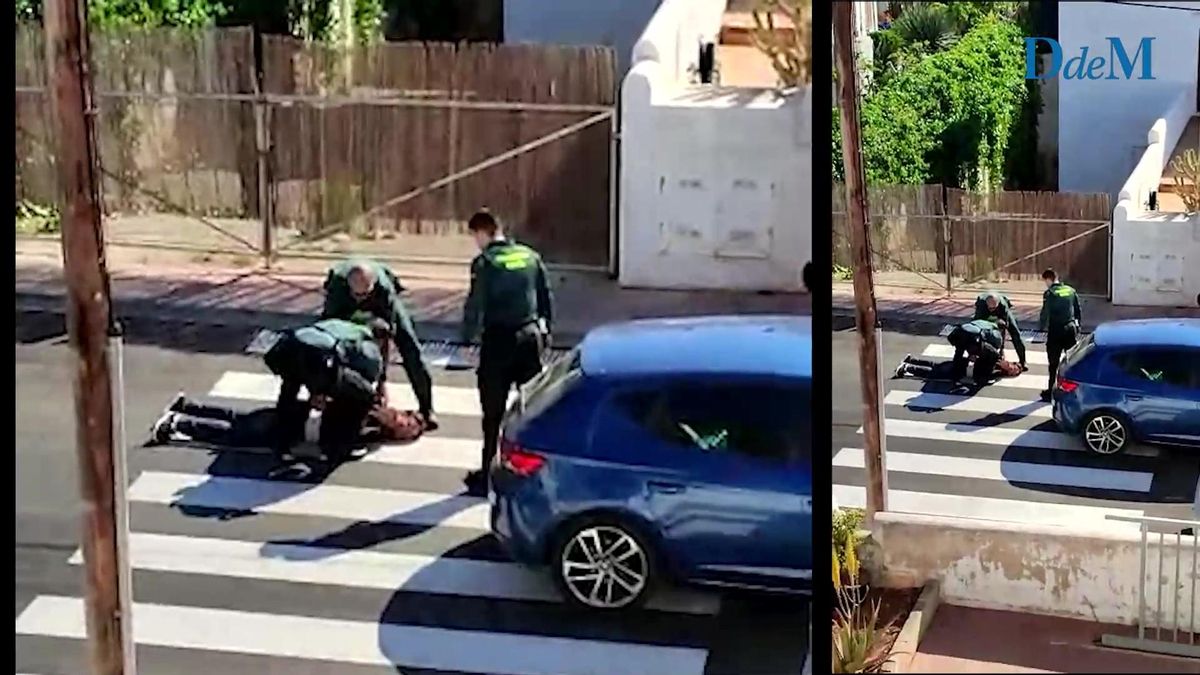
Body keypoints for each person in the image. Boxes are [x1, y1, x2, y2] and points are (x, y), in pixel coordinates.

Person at [461, 209, 553, 496]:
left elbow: (475, 305)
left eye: (475, 236)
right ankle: (537, 472)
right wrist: (546, 331)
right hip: (529, 339)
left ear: (482, 232)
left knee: (493, 413)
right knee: (533, 408)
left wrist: (466, 340)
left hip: (499, 343)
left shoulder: (485, 263)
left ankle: (489, 472)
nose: (475, 242)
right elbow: (545, 297)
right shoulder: (529, 256)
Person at [260, 318, 390, 477]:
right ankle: (338, 446)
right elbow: (364, 382)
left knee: (290, 389)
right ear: (381, 339)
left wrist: (316, 390)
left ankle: (283, 440)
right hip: (318, 360)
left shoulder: (338, 324)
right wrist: (324, 392)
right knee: (363, 395)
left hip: (288, 348)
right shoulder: (369, 345)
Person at [322, 258, 437, 430]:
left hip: (379, 301)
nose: (360, 300)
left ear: (373, 286)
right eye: (357, 295)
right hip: (345, 303)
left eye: (364, 295)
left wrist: (382, 379)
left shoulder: (384, 290)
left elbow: (388, 336)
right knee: (335, 345)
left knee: (410, 347)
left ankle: (427, 408)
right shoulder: (337, 287)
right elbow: (328, 328)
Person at [149, 395, 424, 455]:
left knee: (241, 421)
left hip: (297, 418)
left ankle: (186, 409)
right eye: (407, 422)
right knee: (236, 434)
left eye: (407, 430)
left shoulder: (370, 428)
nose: (403, 425)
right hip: (297, 424)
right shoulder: (368, 417)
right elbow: (334, 441)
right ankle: (179, 423)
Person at [1038, 268, 1082, 401]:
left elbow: (1045, 313)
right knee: (1072, 361)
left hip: (1056, 331)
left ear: (1048, 279)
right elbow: (1078, 309)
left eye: (1045, 281)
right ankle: (1075, 390)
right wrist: (1078, 325)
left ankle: (1051, 390)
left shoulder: (1050, 293)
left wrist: (1041, 327)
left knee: (1053, 363)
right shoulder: (1070, 290)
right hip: (1070, 329)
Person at [974, 290, 1027, 371]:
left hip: (1001, 311)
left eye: (993, 308)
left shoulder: (1003, 305)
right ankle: (986, 356)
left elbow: (1005, 326)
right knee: (980, 332)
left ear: (997, 304)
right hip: (984, 313)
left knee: (1015, 333)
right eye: (990, 308)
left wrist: (1001, 347)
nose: (992, 310)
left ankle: (1023, 361)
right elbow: (976, 324)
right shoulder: (981, 305)